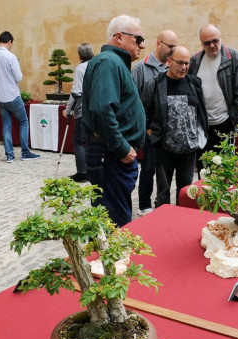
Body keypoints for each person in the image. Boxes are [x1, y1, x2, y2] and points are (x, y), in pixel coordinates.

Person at [82, 15, 146, 227]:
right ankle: (110, 260)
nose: (142, 45)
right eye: (138, 39)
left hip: (113, 156)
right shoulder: (108, 62)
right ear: (119, 37)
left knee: (112, 217)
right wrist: (121, 148)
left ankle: (110, 259)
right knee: (113, 222)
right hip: (111, 156)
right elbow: (102, 110)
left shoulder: (114, 62)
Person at [141, 46, 208, 206]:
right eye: (180, 62)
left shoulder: (194, 83)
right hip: (164, 149)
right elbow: (142, 111)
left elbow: (201, 112)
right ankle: (162, 220)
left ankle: (181, 219)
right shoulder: (156, 84)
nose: (184, 67)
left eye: (187, 63)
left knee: (185, 191)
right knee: (163, 191)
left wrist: (200, 136)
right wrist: (150, 131)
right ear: (169, 61)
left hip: (189, 149)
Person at [188, 24, 238, 171]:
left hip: (225, 123)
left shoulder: (234, 58)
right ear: (201, 43)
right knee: (204, 167)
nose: (212, 45)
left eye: (215, 41)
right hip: (202, 125)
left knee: (225, 168)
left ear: (221, 38)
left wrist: (235, 119)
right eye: (207, 43)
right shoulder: (195, 61)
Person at [131, 29, 178, 216]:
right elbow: (134, 102)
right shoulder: (141, 68)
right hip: (151, 130)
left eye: (175, 46)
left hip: (170, 131)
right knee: (148, 168)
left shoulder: (173, 67)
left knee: (165, 170)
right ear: (159, 44)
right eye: (170, 46)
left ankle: (162, 203)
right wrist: (146, 128)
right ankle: (144, 204)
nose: (173, 50)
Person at [0, 31, 40, 163]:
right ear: (9, 42)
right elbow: (19, 77)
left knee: (6, 124)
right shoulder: (10, 57)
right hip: (12, 94)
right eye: (12, 44)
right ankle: (25, 152)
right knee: (23, 121)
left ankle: (9, 155)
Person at [62, 43, 94, 183]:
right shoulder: (98, 64)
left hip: (84, 111)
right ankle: (93, 170)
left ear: (79, 55)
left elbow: (76, 93)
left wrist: (68, 110)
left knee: (79, 141)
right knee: (93, 141)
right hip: (98, 110)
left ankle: (82, 172)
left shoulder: (80, 68)